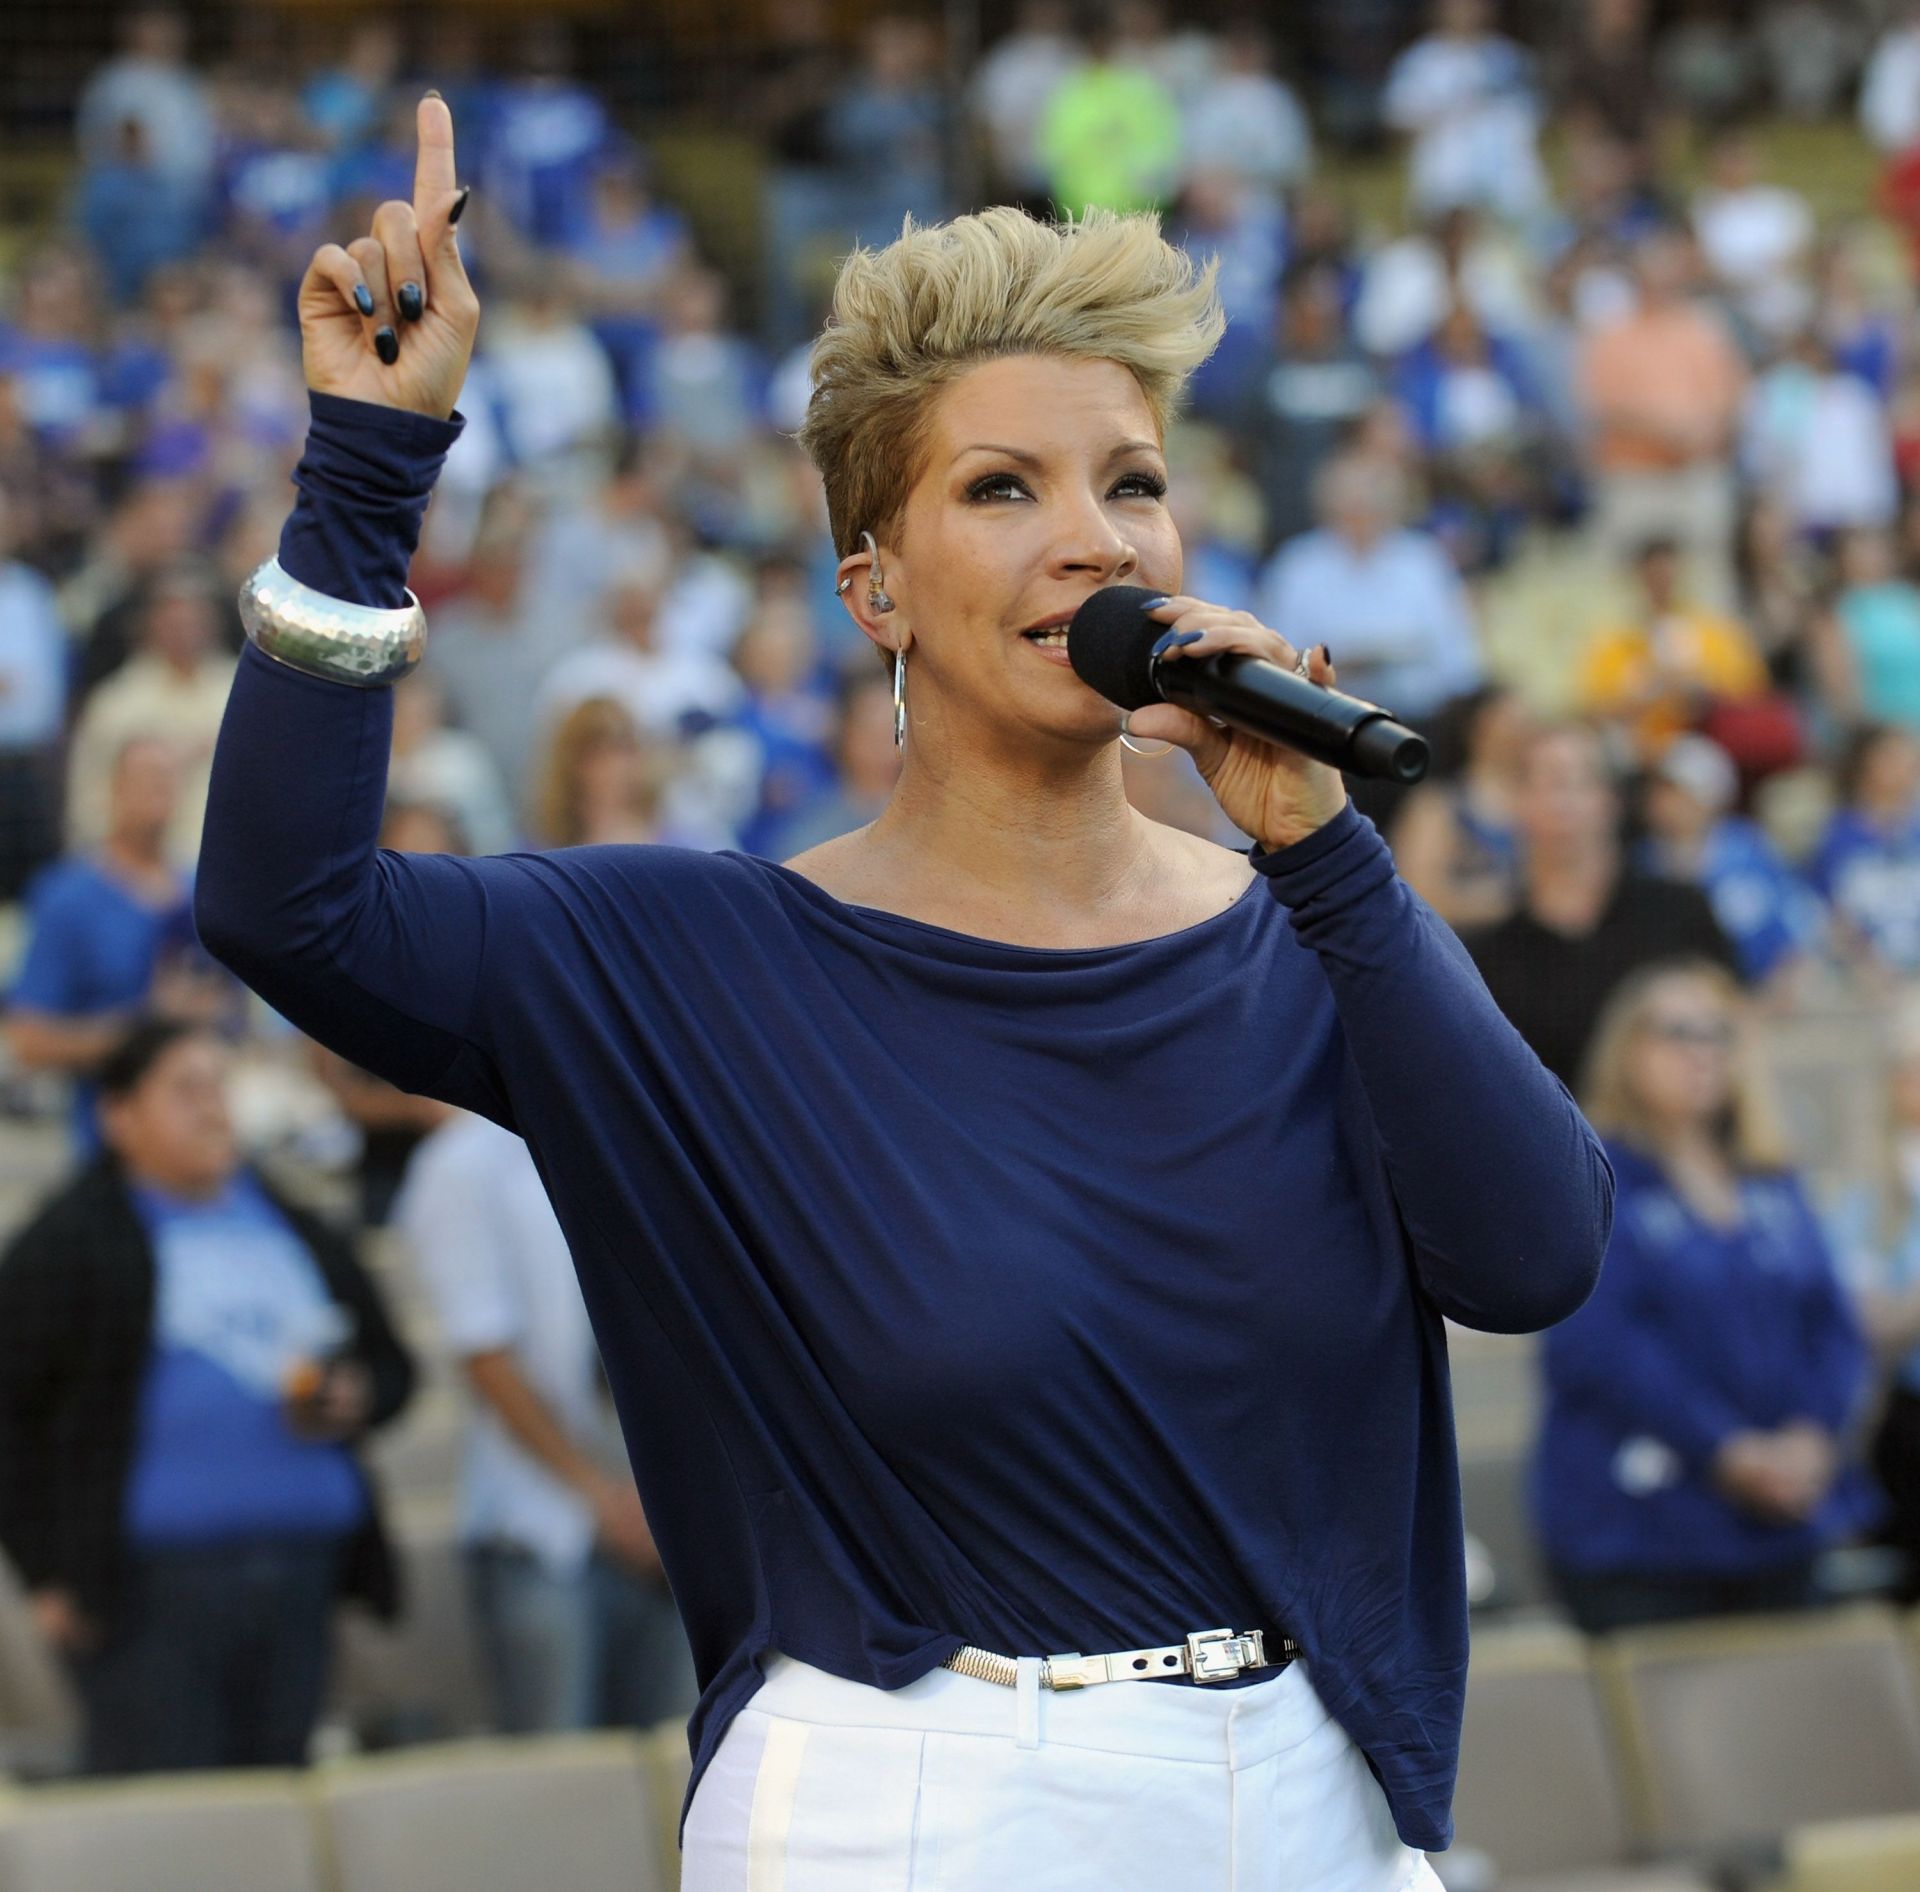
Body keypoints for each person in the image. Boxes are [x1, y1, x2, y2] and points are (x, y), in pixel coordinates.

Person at [194, 100, 1611, 1888]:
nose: (1094, 538)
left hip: (1319, 1796)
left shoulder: (1311, 940)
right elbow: (286, 905)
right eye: (1001, 488)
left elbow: (1537, 1254)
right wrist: (366, 469)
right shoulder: (689, 966)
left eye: (1134, 480)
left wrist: (1323, 852)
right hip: (919, 1801)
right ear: (874, 584)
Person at [0, 1019, 416, 1773]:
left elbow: (392, 1369)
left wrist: (358, 1396)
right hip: (147, 1593)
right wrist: (44, 1572)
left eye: (220, 1087)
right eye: (185, 1089)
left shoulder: (294, 1223)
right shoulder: (69, 1240)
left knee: (278, 1819)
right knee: (175, 1825)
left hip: (301, 1573)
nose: (213, 1108)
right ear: (117, 1116)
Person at [1532, 961, 1878, 1635]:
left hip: (1782, 1523)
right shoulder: (1592, 1177)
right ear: (1627, 1050)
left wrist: (1812, 1436)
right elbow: (1598, 1347)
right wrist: (1727, 1449)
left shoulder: (1770, 1180)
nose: (1703, 1053)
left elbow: (1832, 1327)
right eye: (1678, 1033)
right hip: (1642, 1536)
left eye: (1720, 1033)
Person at [394, 1106, 699, 1732]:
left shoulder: (646, 1145)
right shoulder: (462, 1163)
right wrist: (604, 1498)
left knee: (686, 1765)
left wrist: (673, 1500)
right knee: (561, 1774)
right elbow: (485, 1353)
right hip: (541, 1518)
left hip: (673, 1515)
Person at [1464, 721, 1739, 1089]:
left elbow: (1735, 1024)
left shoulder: (1681, 910)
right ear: (1517, 802)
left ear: (1612, 798)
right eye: (1546, 782)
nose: (1563, 800)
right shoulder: (1487, 957)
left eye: (1579, 780)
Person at [5, 734, 238, 1159]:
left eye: (168, 780)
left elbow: (235, 1015)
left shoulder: (203, 893)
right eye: (146, 779)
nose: (158, 792)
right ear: (114, 789)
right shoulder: (66, 896)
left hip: (204, 1136)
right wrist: (143, 1028)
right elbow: (28, 1038)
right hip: (110, 1137)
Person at [1576, 536, 1769, 766]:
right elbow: (1590, 710)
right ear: (1638, 578)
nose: (1663, 585)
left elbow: (1751, 694)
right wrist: (1644, 692)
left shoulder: (1715, 632)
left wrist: (1700, 690)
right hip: (1636, 751)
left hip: (1707, 748)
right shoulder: (1614, 641)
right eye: (1654, 576)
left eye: (1669, 575)